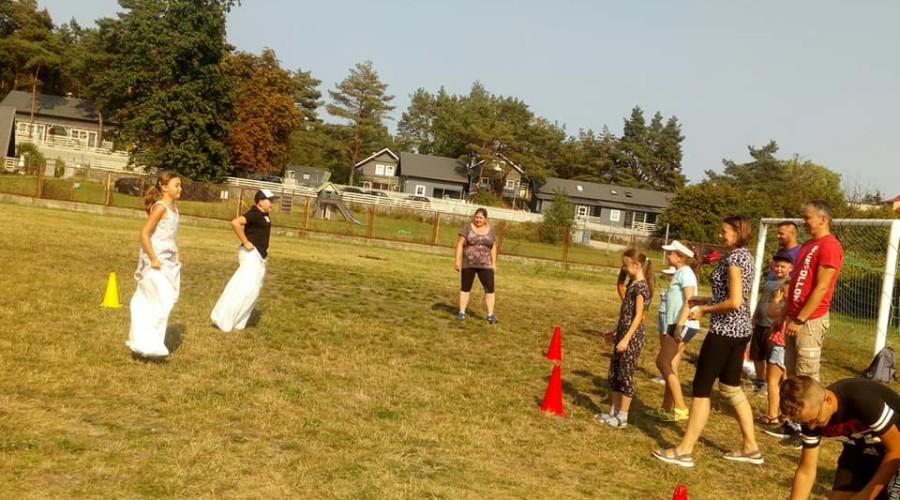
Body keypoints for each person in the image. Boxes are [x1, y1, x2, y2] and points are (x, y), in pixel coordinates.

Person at [653, 215, 761, 467]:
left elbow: (734, 301)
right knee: (731, 387)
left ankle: (684, 450)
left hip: (724, 332)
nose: (720, 235)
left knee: (701, 389)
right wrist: (704, 300)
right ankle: (751, 448)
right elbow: (734, 296)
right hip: (741, 330)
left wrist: (705, 311)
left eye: (724, 231)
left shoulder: (734, 259)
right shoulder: (746, 256)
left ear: (738, 231)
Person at [768, 200, 845, 441]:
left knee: (808, 379)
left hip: (810, 322)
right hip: (793, 318)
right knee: (793, 378)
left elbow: (821, 287)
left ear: (823, 219)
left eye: (808, 217)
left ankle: (813, 430)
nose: (804, 221)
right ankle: (794, 426)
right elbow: (796, 285)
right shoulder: (808, 245)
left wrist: (800, 319)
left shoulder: (830, 246)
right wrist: (783, 314)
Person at [780, 376, 900, 499]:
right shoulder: (809, 419)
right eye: (805, 423)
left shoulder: (861, 400)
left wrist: (865, 495)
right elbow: (806, 472)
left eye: (815, 420)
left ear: (827, 400)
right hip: (859, 448)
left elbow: (896, 450)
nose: (811, 427)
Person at [126, 171, 182, 359]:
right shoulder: (160, 207)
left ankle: (152, 341)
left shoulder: (175, 209)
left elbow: (171, 236)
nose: (180, 188)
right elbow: (144, 233)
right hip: (155, 261)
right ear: (164, 187)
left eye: (180, 185)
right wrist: (153, 258)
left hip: (168, 260)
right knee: (155, 301)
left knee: (167, 300)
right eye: (176, 185)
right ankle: (147, 343)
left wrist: (176, 255)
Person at [596, 249, 653, 428]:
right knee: (615, 374)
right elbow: (625, 314)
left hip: (631, 337)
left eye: (626, 265)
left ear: (637, 265)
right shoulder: (632, 284)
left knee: (625, 375)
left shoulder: (641, 288)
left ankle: (623, 416)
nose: (624, 268)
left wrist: (626, 338)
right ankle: (613, 411)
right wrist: (615, 331)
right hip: (622, 334)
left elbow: (637, 317)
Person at [210, 189, 278, 332]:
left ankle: (238, 322)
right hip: (251, 255)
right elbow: (236, 223)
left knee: (253, 290)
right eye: (269, 200)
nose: (272, 203)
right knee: (244, 288)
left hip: (259, 256)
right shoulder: (254, 213)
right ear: (260, 201)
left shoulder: (265, 215)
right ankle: (224, 319)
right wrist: (246, 242)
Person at [647, 240, 700, 423]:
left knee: (662, 362)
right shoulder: (680, 272)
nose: (667, 255)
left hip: (682, 325)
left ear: (680, 257)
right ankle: (666, 409)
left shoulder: (685, 273)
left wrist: (678, 325)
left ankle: (681, 407)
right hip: (677, 324)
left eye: (670, 253)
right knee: (671, 367)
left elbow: (690, 301)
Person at [749, 249, 794, 394]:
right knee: (757, 354)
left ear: (790, 268)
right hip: (760, 322)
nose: (779, 269)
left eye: (783, 267)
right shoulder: (769, 281)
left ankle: (773, 384)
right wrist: (755, 314)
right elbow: (762, 299)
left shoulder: (788, 283)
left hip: (772, 325)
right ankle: (760, 380)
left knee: (771, 357)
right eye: (777, 266)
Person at [454, 208, 498, 324]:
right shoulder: (467, 227)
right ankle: (461, 312)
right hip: (468, 263)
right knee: (465, 287)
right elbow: (460, 244)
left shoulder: (491, 230)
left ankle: (490, 315)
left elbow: (493, 247)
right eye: (476, 217)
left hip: (486, 265)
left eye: (481, 218)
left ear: (485, 219)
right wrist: (457, 261)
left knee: (490, 289)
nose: (478, 219)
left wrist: (494, 264)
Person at [757, 278, 791, 431]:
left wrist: (776, 300)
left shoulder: (786, 306)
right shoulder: (798, 308)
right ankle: (786, 414)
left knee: (772, 380)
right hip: (789, 347)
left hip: (780, 346)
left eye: (783, 291)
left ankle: (772, 415)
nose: (781, 293)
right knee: (787, 382)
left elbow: (771, 312)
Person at [650, 266, 677, 385]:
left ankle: (666, 375)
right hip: (662, 316)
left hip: (668, 317)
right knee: (662, 344)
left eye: (672, 274)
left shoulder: (676, 288)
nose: (669, 276)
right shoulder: (669, 287)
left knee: (666, 347)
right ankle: (663, 374)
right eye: (669, 274)